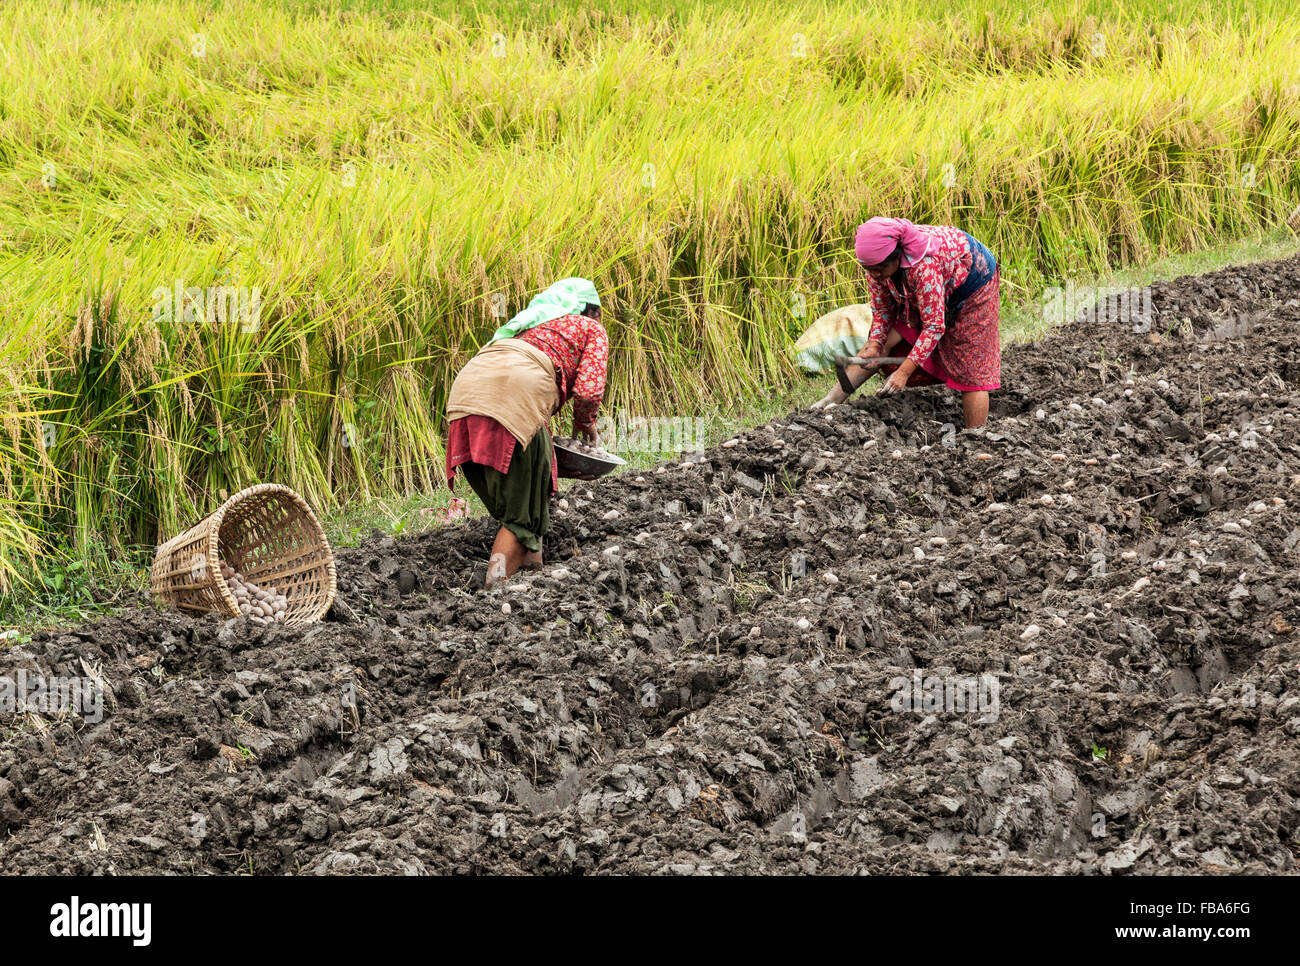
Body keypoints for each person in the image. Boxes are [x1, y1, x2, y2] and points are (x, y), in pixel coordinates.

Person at [444, 277, 609, 586]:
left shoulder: (530, 327)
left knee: (532, 490)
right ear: (593, 312)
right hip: (510, 403)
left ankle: (533, 576)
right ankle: (496, 589)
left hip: (464, 400)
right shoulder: (590, 328)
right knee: (519, 517)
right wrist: (586, 426)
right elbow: (588, 390)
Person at [814, 217, 1001, 428]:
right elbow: (882, 310)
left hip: (972, 283)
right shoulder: (877, 268)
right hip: (926, 285)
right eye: (869, 269)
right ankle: (829, 402)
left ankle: (975, 436)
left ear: (897, 257)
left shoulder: (923, 267)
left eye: (880, 268)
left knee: (970, 367)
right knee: (881, 345)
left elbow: (933, 326)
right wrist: (875, 342)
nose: (874, 274)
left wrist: (903, 372)